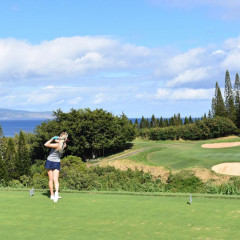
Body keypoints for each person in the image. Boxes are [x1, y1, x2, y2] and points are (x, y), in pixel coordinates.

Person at [44, 132, 68, 202]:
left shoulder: (56, 145)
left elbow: (46, 144)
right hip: (57, 162)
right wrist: (61, 139)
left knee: (51, 179)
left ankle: (52, 195)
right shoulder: (64, 145)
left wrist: (52, 138)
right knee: (55, 179)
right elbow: (60, 141)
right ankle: (56, 193)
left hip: (49, 161)